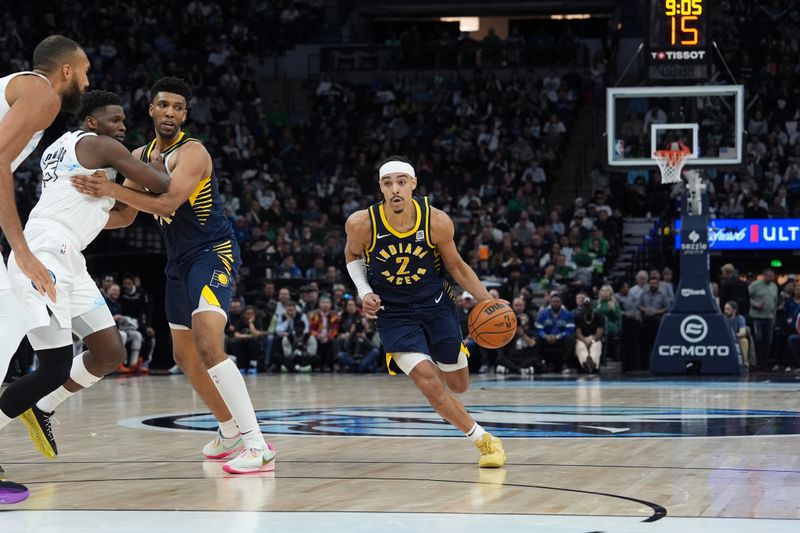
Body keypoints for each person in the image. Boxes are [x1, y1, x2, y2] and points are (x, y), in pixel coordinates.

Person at [70, 77, 275, 474]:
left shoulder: (192, 152)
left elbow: (168, 200)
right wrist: (75, 220)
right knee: (183, 354)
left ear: (185, 114)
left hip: (212, 252)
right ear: (151, 109)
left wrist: (109, 190)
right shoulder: (139, 153)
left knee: (208, 342)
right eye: (163, 105)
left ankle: (257, 444)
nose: (170, 113)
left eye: (178, 107)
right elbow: (126, 216)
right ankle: (229, 429)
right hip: (177, 260)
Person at [0, 90, 171, 460]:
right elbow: (162, 184)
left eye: (125, 121)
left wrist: (116, 187)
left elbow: (123, 217)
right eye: (115, 120)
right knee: (54, 366)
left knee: (110, 352)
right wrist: (149, 161)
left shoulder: (66, 151)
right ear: (91, 122)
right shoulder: (98, 146)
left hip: (70, 255)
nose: (122, 126)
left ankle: (42, 406)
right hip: (44, 252)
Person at [344, 155, 505, 468]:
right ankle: (485, 441)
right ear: (380, 188)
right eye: (388, 183)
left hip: (436, 306)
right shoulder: (361, 223)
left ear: (413, 184)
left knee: (458, 385)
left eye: (401, 182)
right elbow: (352, 255)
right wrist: (364, 292)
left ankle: (453, 397)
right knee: (429, 382)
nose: (395, 189)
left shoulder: (436, 221)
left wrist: (487, 300)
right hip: (393, 314)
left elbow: (456, 265)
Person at [0, 36, 90, 390]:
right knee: (7, 314)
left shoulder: (18, 86)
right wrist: (21, 250)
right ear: (66, 70)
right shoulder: (44, 94)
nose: (87, 84)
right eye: (85, 73)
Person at [534, 292, 576, 373]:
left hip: (561, 339)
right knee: (538, 339)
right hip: (547, 339)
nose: (555, 303)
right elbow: (538, 327)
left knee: (570, 340)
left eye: (557, 302)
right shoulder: (543, 313)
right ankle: (542, 363)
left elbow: (570, 330)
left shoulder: (567, 314)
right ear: (550, 302)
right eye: (553, 302)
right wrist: (545, 336)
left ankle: (565, 364)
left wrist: (557, 337)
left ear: (561, 303)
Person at [749, 268, 778, 369]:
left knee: (768, 341)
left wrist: (774, 318)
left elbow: (775, 303)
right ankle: (755, 362)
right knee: (758, 339)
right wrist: (755, 304)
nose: (771, 278)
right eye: (769, 276)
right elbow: (747, 297)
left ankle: (764, 363)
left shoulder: (774, 286)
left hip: (769, 318)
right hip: (757, 317)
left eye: (772, 276)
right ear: (764, 275)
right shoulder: (755, 285)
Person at [574, 298, 605, 373]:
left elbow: (599, 334)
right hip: (582, 339)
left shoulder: (599, 317)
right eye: (585, 306)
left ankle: (592, 363)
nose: (587, 308)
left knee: (595, 347)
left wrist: (592, 341)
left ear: (592, 306)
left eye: (589, 306)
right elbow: (578, 333)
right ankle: (586, 363)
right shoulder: (578, 317)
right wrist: (585, 341)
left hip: (594, 338)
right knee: (580, 347)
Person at [723, 301, 750, 370]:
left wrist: (733, 335)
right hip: (724, 340)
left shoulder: (740, 318)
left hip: (735, 339)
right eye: (725, 309)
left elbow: (743, 332)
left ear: (734, 310)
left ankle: (745, 361)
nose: (725, 311)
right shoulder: (722, 318)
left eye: (728, 309)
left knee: (744, 340)